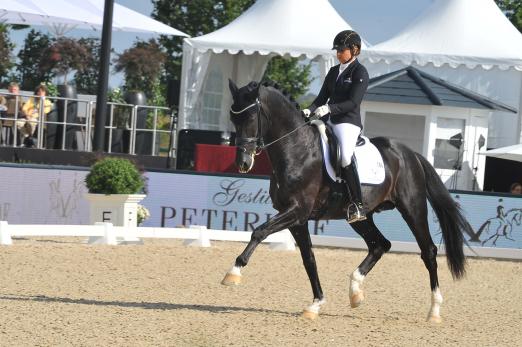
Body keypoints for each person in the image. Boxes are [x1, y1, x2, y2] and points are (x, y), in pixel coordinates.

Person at [302, 30, 369, 223]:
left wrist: (330, 108)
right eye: (337, 50)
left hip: (348, 122)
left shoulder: (360, 72)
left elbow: (353, 103)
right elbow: (321, 97)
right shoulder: (333, 71)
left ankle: (358, 204)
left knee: (346, 156)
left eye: (342, 50)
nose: (338, 53)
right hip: (329, 119)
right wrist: (309, 110)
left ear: (354, 50)